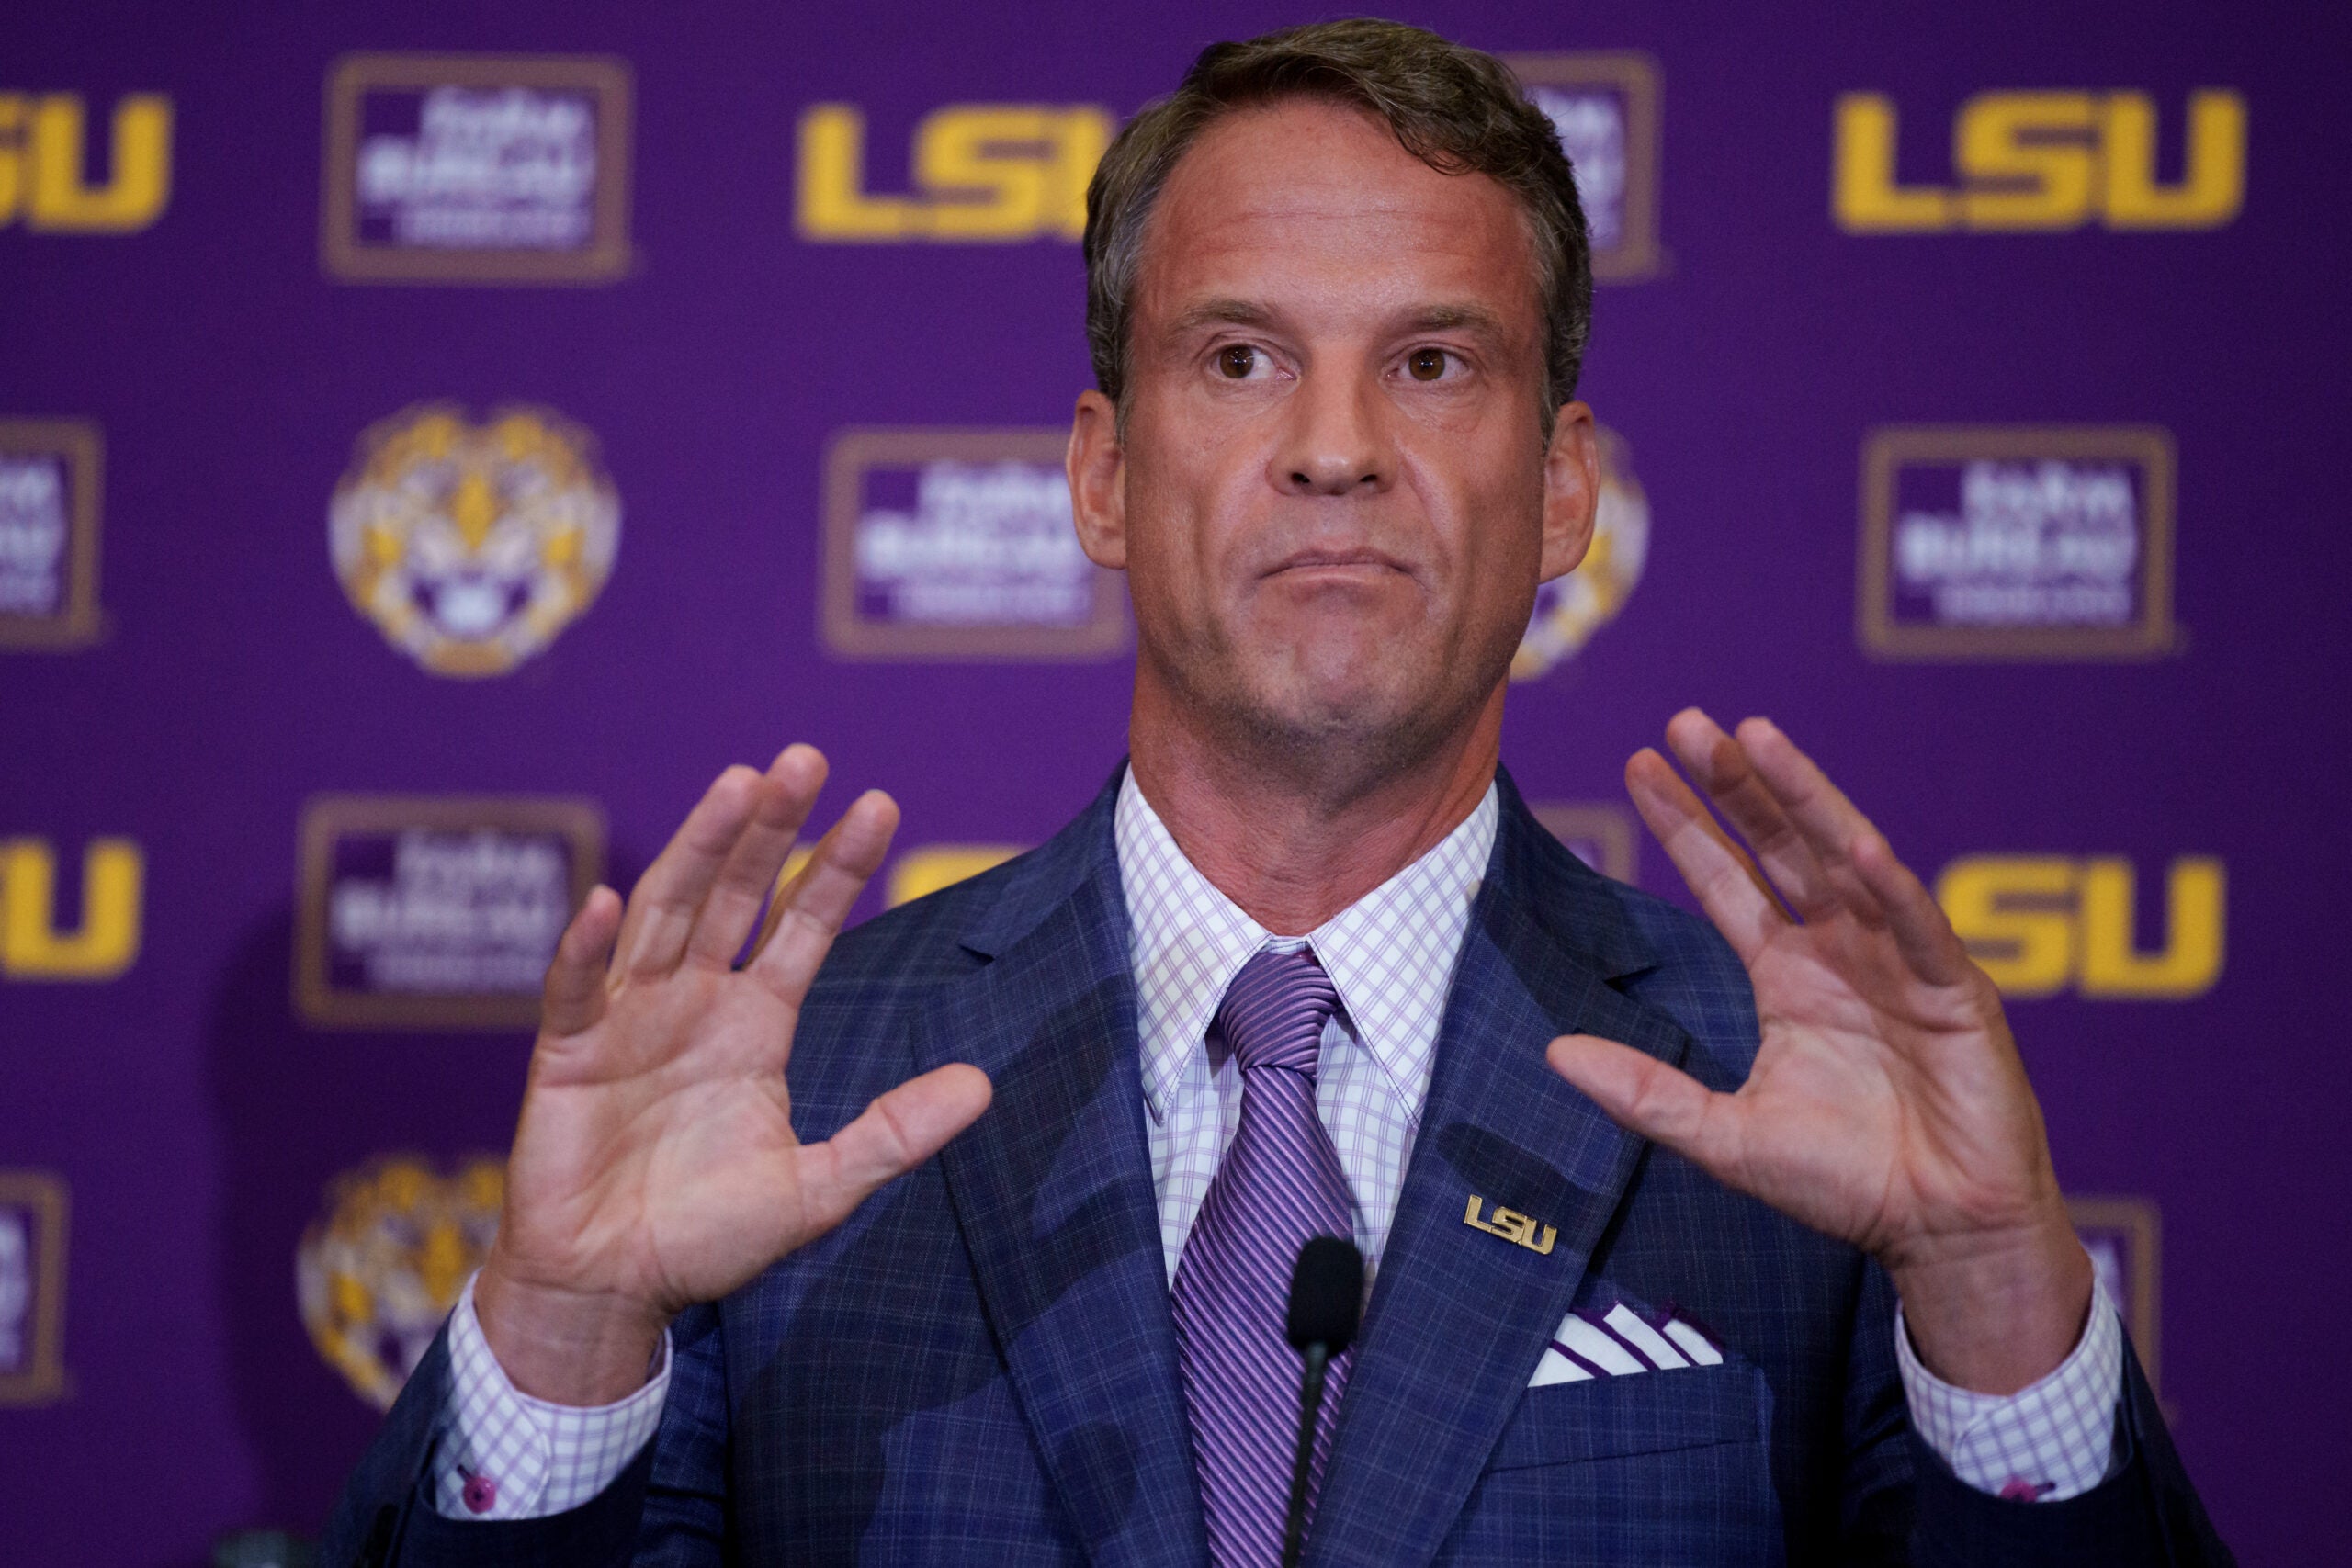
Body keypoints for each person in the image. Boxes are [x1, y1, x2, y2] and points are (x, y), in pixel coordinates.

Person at [325, 20, 2228, 1566]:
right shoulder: (781, 1082)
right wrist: (567, 1326)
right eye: (1239, 359)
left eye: (1430, 362)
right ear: (1097, 473)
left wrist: (1987, 1290)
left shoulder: (1793, 1095)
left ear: (1563, 488)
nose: (1333, 450)